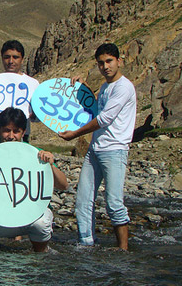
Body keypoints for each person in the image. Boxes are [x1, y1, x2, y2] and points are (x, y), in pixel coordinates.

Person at [58, 43, 136, 251]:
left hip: (114, 150)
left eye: (109, 61)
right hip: (95, 149)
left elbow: (104, 118)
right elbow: (94, 108)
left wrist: (75, 134)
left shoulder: (124, 87)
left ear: (119, 61)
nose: (105, 66)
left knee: (114, 202)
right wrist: (81, 88)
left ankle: (123, 249)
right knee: (83, 200)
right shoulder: (104, 87)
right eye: (101, 63)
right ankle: (86, 243)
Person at [0, 107, 68, 252]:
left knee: (41, 224)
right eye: (6, 130)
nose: (11, 136)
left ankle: (41, 253)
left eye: (16, 131)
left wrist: (51, 165)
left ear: (23, 132)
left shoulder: (36, 155)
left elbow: (63, 185)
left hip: (30, 217)